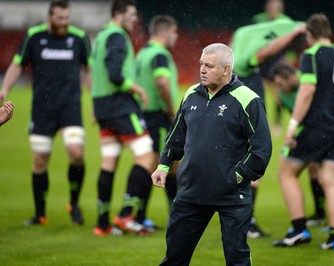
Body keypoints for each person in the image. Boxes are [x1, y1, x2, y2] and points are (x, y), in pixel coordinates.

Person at [151, 43, 272, 265]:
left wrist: (237, 175)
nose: (202, 70)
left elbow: (262, 148)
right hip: (191, 192)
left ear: (226, 69)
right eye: (201, 64)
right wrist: (164, 165)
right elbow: (175, 135)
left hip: (232, 196)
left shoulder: (248, 99)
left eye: (209, 66)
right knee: (174, 258)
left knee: (237, 260)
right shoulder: (191, 94)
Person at [0, 0, 90, 225]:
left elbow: (88, 69)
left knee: (76, 153)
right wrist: (5, 88)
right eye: (60, 19)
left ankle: (74, 204)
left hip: (71, 107)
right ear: (50, 17)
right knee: (40, 160)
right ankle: (40, 214)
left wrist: (95, 97)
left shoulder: (79, 37)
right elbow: (18, 64)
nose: (64, 22)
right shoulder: (35, 35)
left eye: (67, 18)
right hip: (42, 109)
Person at [273, 14, 334, 250]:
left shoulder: (311, 55)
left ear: (309, 34)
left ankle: (299, 230)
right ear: (329, 31)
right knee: (331, 182)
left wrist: (293, 125)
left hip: (316, 127)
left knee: (286, 173)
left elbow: (307, 90)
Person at [232, 23, 305, 238]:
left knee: (247, 169)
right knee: (253, 169)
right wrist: (292, 33)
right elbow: (267, 50)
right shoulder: (246, 62)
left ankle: (243, 220)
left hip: (245, 120)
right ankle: (246, 222)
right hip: (249, 122)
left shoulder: (241, 66)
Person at [91, 0, 156, 236]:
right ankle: (126, 216)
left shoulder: (101, 36)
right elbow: (115, 73)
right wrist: (136, 88)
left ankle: (102, 223)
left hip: (102, 105)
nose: (135, 19)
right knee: (147, 155)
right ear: (119, 14)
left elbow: (93, 70)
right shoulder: (118, 36)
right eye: (131, 14)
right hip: (120, 105)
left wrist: (95, 103)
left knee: (109, 160)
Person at [134, 14, 179, 230]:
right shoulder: (160, 55)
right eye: (174, 32)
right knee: (166, 164)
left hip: (143, 115)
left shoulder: (142, 53)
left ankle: (139, 215)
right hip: (159, 115)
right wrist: (173, 111)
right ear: (165, 31)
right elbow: (162, 82)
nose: (176, 37)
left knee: (152, 164)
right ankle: (173, 215)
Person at [273, 63, 326, 226]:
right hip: (304, 133)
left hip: (321, 131)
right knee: (314, 171)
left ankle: (303, 224)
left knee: (325, 175)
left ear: (290, 78)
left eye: (281, 84)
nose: (279, 88)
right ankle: (320, 214)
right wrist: (277, 123)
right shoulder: (283, 93)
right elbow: (280, 105)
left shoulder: (307, 83)